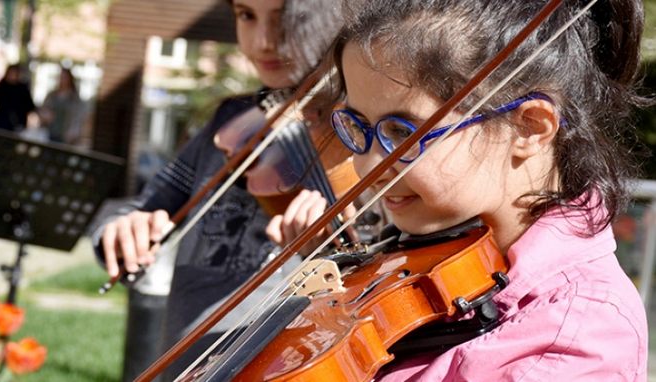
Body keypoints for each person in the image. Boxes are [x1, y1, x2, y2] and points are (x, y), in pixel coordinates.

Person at [273, 0, 649, 380]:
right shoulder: (420, 259)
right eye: (358, 126)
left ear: (530, 127)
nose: (369, 167)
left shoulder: (578, 337)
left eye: (403, 133)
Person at [89, 0, 347, 379]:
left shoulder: (357, 137)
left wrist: (335, 248)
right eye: (247, 15)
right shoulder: (230, 124)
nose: (263, 41)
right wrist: (122, 229)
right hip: (184, 367)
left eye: (285, 19)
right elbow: (146, 205)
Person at [0, 64, 36, 132]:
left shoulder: (22, 89)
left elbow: (30, 105)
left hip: (16, 124)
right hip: (1, 122)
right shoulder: (3, 86)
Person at [39, 67, 85, 144]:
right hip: (49, 134)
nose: (62, 80)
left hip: (66, 137)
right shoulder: (51, 96)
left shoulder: (74, 99)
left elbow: (78, 118)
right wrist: (45, 116)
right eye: (60, 77)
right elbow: (43, 111)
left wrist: (73, 133)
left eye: (64, 77)